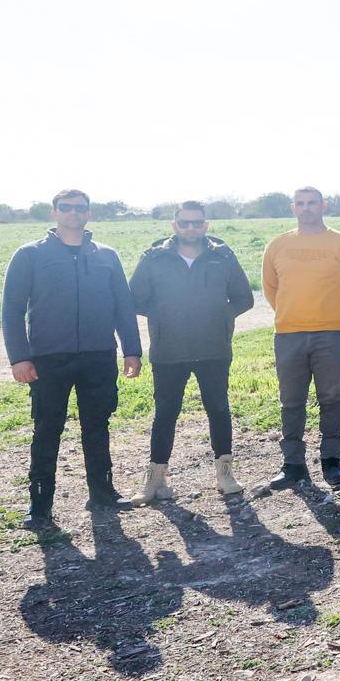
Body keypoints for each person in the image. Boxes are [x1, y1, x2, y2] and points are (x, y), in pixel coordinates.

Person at [2, 189, 143, 525]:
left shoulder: (106, 255)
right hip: (49, 358)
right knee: (47, 428)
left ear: (89, 214)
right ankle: (40, 506)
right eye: (66, 208)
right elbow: (11, 311)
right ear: (54, 213)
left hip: (98, 355)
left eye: (80, 209)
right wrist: (19, 358)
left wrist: (132, 349)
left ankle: (102, 493)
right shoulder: (30, 255)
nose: (73, 214)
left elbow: (123, 306)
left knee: (97, 425)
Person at [129, 200, 255, 501]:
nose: (190, 228)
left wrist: (221, 317)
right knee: (165, 413)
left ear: (205, 226)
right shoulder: (154, 258)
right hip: (169, 350)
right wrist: (162, 316)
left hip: (213, 348)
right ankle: (156, 480)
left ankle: (225, 475)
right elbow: (134, 298)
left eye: (196, 223)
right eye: (184, 223)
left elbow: (244, 298)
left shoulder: (222, 256)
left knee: (219, 409)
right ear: (174, 225)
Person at [261, 187, 340, 489]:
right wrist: (291, 312)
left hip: (331, 334)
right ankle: (293, 464)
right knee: (291, 401)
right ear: (293, 208)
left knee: (331, 398)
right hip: (288, 335)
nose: (306, 208)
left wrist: (339, 314)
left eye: (312, 203)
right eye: (300, 204)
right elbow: (270, 287)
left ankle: (331, 462)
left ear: (323, 205)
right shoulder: (278, 245)